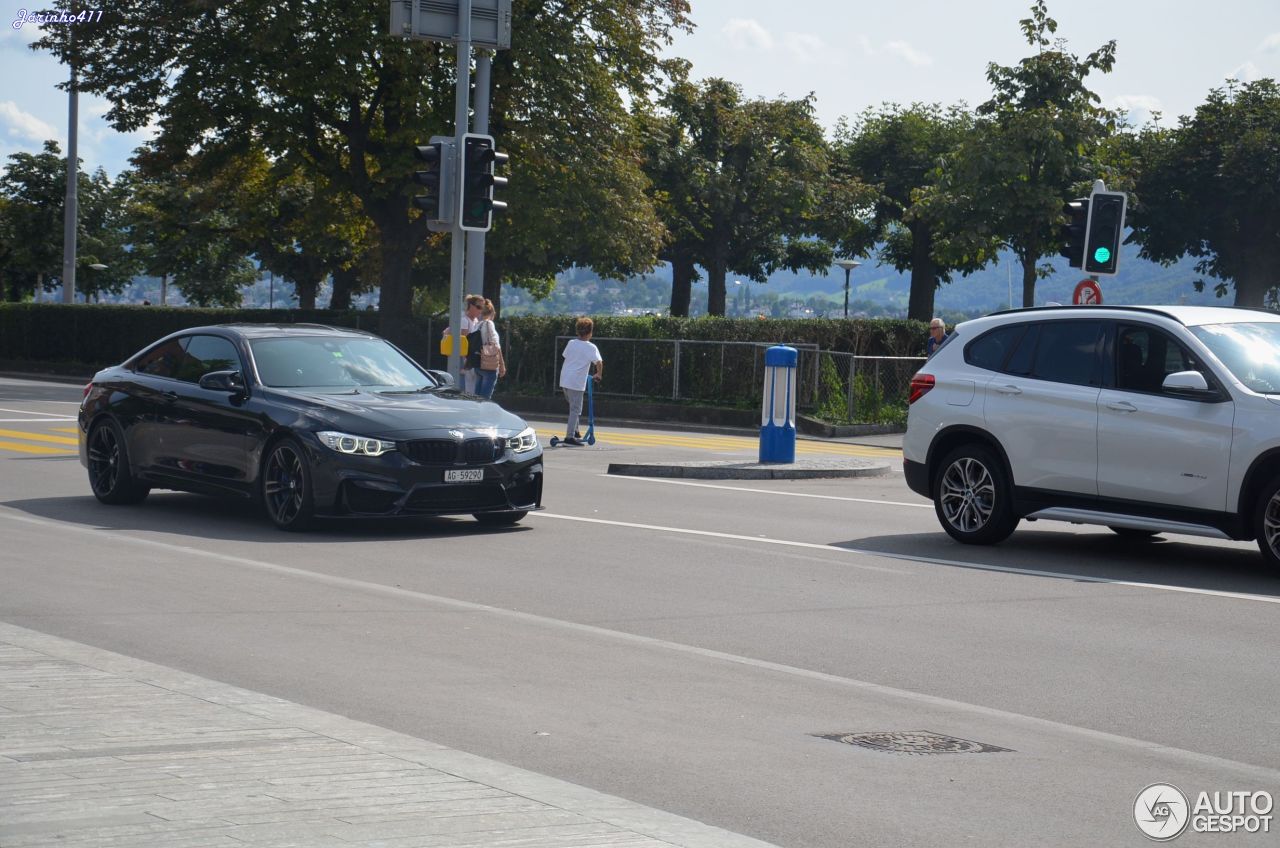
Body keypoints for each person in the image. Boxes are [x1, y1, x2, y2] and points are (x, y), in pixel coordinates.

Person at [558, 317, 603, 446]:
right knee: (576, 410)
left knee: (573, 407)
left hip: (565, 380)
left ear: (578, 331)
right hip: (576, 382)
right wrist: (599, 374)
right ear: (590, 332)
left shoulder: (571, 343)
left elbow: (566, 356)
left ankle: (576, 431)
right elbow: (599, 362)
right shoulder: (591, 347)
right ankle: (569, 437)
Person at [442, 294, 485, 393]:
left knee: (471, 387)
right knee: (467, 388)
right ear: (471, 306)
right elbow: (466, 344)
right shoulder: (465, 321)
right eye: (479, 307)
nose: (480, 310)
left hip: (470, 359)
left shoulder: (475, 320)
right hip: (465, 360)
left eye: (482, 308)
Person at [473, 299, 505, 399]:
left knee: (477, 398)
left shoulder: (477, 325)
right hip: (489, 364)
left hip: (478, 363)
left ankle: (476, 414)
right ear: (492, 313)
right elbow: (496, 345)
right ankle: (483, 414)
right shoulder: (489, 324)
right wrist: (502, 365)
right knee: (485, 400)